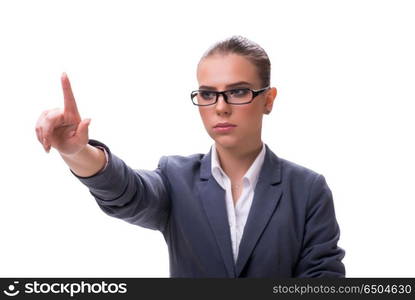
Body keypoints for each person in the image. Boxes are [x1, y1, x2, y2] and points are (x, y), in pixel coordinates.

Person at [35, 35, 345, 277]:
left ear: (268, 99)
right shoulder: (175, 177)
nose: (220, 107)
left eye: (238, 91)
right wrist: (78, 152)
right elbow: (126, 192)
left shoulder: (307, 190)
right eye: (208, 94)